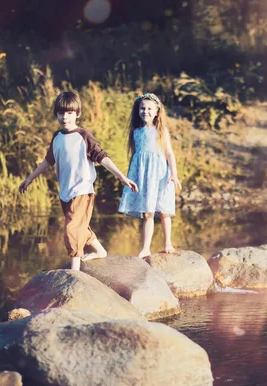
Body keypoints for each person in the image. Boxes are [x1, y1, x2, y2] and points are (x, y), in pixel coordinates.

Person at [19, 91, 138, 271]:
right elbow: (47, 161)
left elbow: (101, 156)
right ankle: (100, 251)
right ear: (56, 114)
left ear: (77, 114)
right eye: (61, 113)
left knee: (71, 229)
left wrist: (121, 176)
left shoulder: (83, 136)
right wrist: (29, 178)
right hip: (65, 191)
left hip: (82, 190)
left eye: (69, 113)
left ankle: (75, 269)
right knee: (78, 225)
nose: (64, 117)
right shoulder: (57, 137)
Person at [118, 93, 182, 258]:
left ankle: (168, 243)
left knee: (163, 211)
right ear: (138, 110)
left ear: (157, 111)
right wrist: (131, 176)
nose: (145, 111)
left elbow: (169, 153)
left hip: (160, 174)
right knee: (147, 212)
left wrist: (174, 174)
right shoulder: (136, 131)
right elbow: (135, 156)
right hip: (143, 175)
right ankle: (146, 247)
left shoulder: (161, 130)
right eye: (142, 108)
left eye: (149, 108)